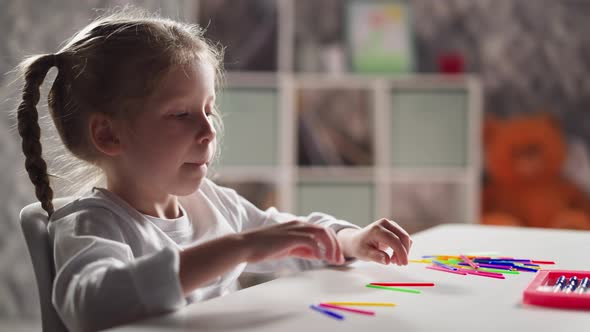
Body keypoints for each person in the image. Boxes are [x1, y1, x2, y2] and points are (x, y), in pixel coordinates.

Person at [14, 8, 412, 332]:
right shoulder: (90, 224)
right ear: (108, 134)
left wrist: (349, 240)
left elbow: (291, 236)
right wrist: (239, 248)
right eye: (182, 114)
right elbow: (91, 307)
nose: (208, 131)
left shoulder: (210, 203)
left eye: (209, 109)